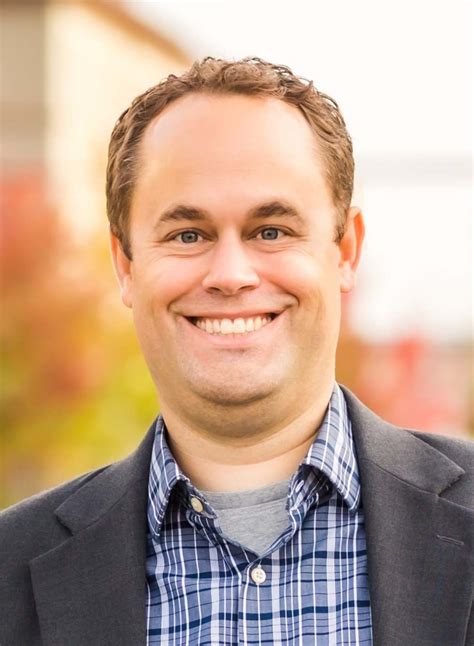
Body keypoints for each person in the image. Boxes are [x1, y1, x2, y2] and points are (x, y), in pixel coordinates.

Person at [1, 57, 472, 646]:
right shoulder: (9, 571)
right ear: (126, 266)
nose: (230, 274)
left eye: (271, 231)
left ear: (346, 251)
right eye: (187, 235)